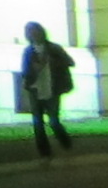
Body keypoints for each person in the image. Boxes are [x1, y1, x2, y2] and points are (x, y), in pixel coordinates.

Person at [16, 20, 78, 157]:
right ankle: (45, 153)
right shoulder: (28, 51)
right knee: (37, 122)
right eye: (30, 33)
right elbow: (25, 71)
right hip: (36, 89)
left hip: (52, 88)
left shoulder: (54, 48)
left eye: (35, 32)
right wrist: (32, 73)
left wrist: (51, 62)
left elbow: (70, 62)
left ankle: (66, 143)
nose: (33, 35)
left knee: (53, 120)